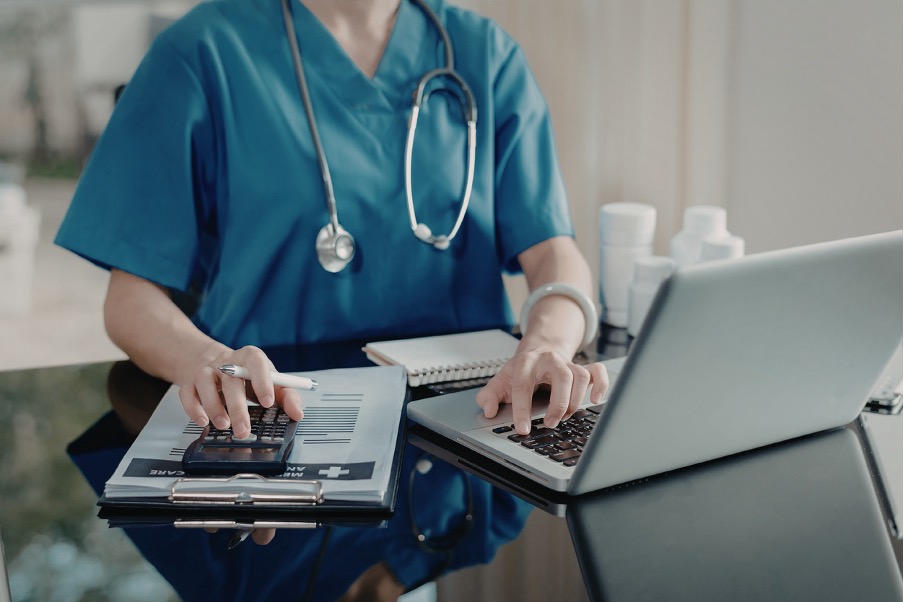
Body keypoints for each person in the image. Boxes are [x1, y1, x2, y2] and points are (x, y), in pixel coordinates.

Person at [56, 0, 606, 459]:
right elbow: (130, 300)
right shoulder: (202, 53)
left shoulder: (485, 54)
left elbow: (554, 252)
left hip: (473, 422)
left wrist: (547, 346)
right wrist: (205, 361)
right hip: (268, 417)